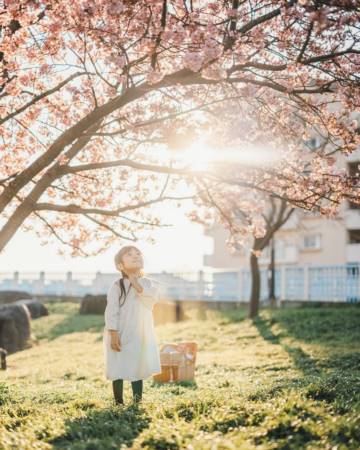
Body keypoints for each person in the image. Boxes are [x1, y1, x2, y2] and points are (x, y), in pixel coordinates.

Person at [102, 245, 162, 405]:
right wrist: (112, 332)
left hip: (139, 332)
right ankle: (118, 402)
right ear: (119, 265)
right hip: (119, 331)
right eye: (129, 254)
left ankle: (137, 401)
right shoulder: (117, 285)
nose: (135, 256)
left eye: (138, 253)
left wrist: (134, 280)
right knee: (117, 365)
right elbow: (111, 310)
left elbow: (150, 301)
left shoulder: (149, 283)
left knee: (137, 364)